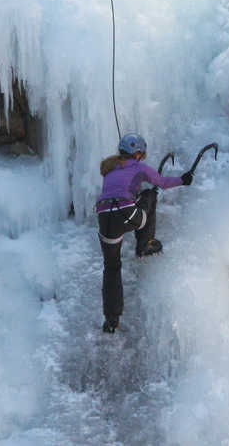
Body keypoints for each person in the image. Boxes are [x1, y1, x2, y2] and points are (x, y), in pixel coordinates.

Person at [95, 133, 192, 333]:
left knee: (111, 268)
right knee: (150, 195)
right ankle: (145, 243)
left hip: (104, 217)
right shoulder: (139, 167)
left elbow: (120, 189)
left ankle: (111, 320)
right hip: (125, 213)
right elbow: (162, 182)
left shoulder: (109, 169)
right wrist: (183, 179)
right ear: (137, 153)